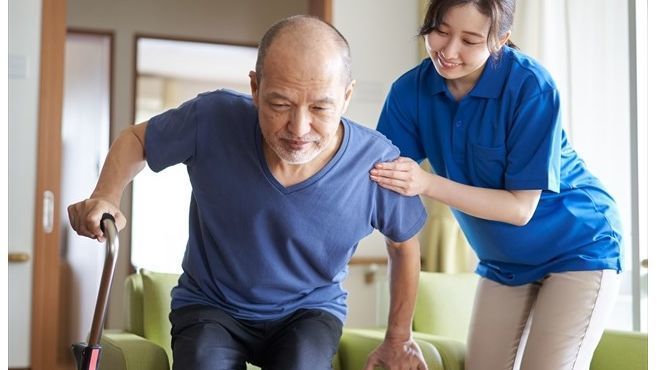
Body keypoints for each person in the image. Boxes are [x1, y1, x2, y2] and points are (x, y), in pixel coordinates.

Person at [68, 15, 429, 370]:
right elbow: (137, 139)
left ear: (346, 97)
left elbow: (404, 245)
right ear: (255, 89)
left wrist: (398, 338)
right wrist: (107, 195)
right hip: (211, 307)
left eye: (320, 107)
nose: (299, 128)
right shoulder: (212, 118)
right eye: (280, 104)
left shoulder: (378, 163)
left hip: (308, 312)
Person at [369, 1, 623, 369]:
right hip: (503, 263)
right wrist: (399, 335)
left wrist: (426, 183)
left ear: (500, 40)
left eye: (470, 40)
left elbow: (520, 209)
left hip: (578, 246)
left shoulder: (531, 87)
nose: (449, 50)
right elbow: (385, 188)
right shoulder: (410, 92)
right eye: (440, 31)